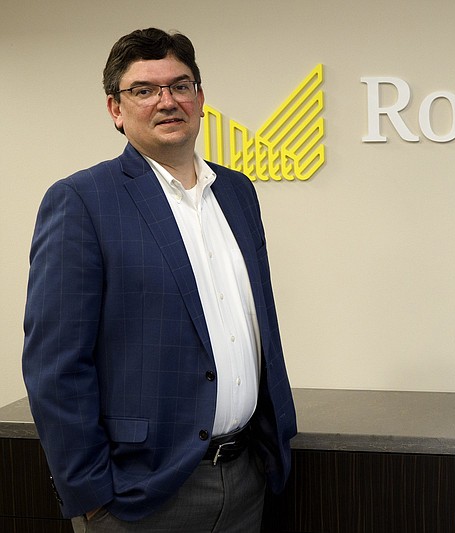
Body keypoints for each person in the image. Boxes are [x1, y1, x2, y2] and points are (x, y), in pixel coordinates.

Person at [21, 28, 296, 532]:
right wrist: (91, 498)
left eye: (180, 85)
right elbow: (55, 365)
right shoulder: (83, 201)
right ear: (115, 110)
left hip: (245, 479)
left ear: (200, 99)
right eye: (144, 90)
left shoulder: (236, 192)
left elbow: (259, 323)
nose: (167, 101)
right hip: (141, 495)